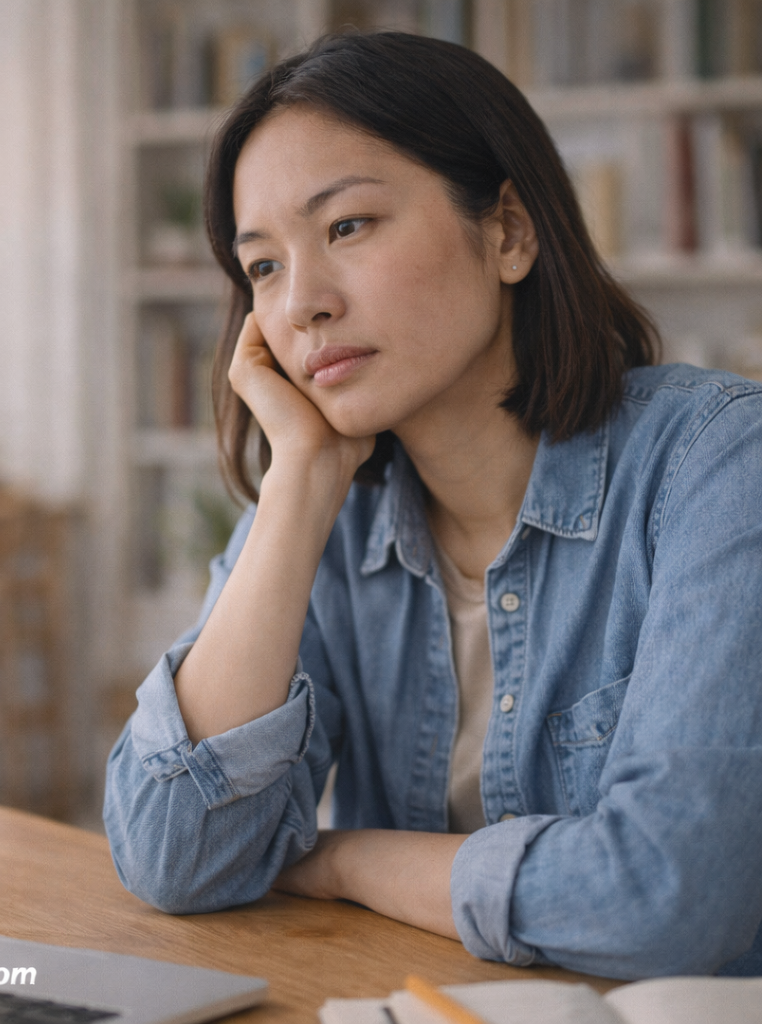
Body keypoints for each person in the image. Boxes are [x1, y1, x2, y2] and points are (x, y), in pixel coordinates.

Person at [104, 32, 762, 980]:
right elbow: (176, 856)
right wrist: (296, 484)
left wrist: (339, 858)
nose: (302, 307)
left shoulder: (719, 464)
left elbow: (664, 897)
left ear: (508, 233)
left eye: (346, 227)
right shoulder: (321, 510)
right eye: (263, 267)